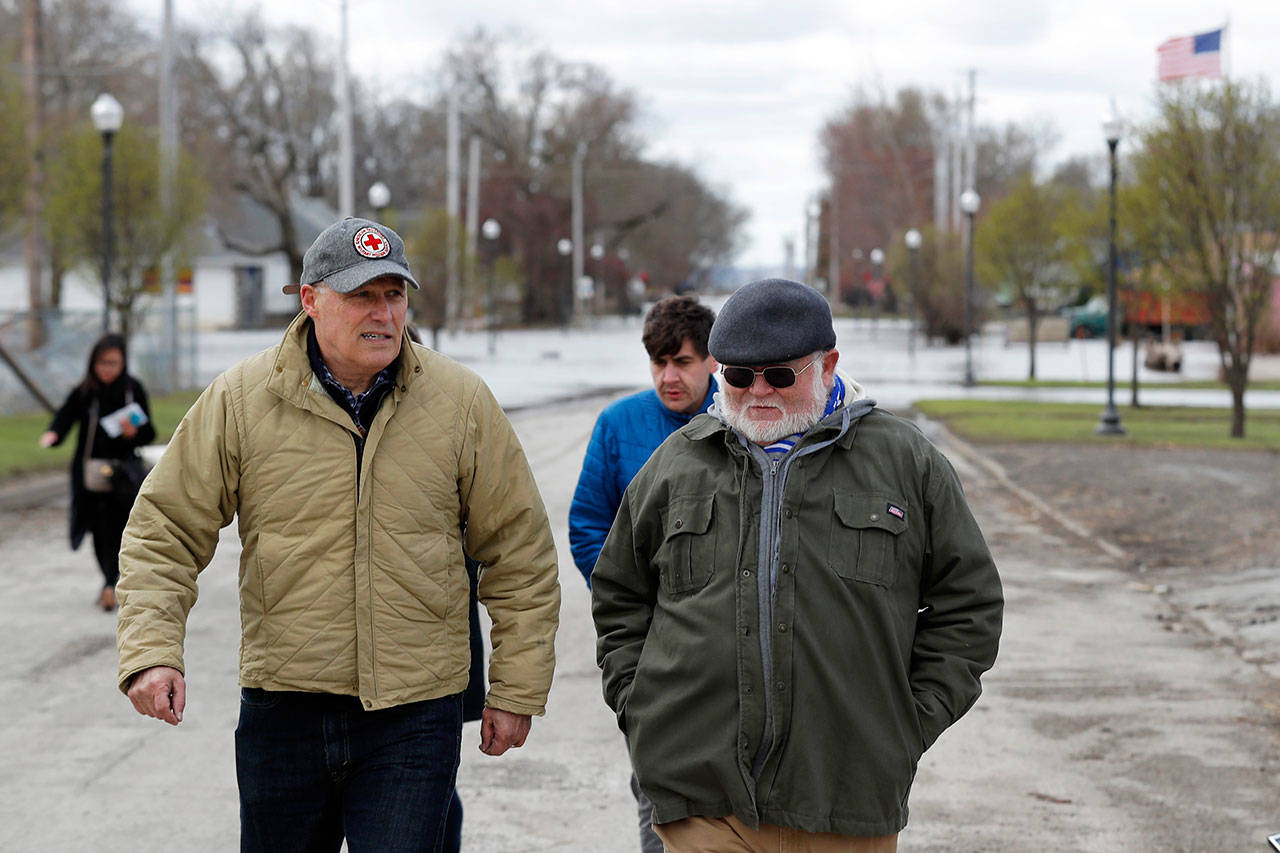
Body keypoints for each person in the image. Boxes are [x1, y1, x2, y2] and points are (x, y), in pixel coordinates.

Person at [115, 217, 561, 852]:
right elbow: (163, 530)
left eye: (393, 295)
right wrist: (152, 651)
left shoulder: (462, 404)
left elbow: (519, 552)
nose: (382, 313)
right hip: (284, 713)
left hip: (414, 715)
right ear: (310, 300)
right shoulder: (240, 401)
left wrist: (517, 686)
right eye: (360, 296)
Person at [592, 278, 1003, 852]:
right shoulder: (676, 465)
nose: (758, 391)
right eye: (739, 376)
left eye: (781, 375)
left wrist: (906, 723)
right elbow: (619, 596)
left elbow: (970, 605)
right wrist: (642, 710)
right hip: (703, 803)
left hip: (846, 800)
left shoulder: (906, 463)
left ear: (827, 364)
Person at [568, 294, 716, 853]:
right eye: (658, 362)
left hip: (723, 636)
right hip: (650, 643)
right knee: (657, 782)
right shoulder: (619, 424)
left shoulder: (742, 419)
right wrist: (624, 604)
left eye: (681, 362)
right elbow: (587, 523)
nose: (667, 376)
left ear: (712, 363)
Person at [40, 333, 155, 611]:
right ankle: (109, 582)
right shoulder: (86, 391)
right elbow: (65, 415)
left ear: (123, 363)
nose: (106, 369)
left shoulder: (132, 390)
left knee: (119, 529)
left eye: (113, 363)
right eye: (101, 363)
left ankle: (110, 583)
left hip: (123, 476)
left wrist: (133, 434)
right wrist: (54, 434)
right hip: (90, 475)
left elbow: (148, 433)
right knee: (98, 530)